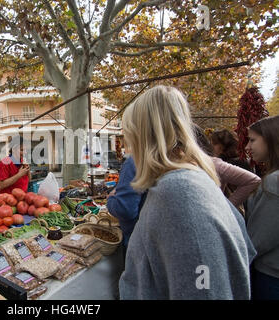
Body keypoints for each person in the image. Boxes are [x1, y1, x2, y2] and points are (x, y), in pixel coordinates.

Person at [118, 85, 256, 300]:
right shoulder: (185, 181)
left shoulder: (179, 193)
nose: (127, 144)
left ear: (142, 136)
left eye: (128, 134)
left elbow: (205, 290)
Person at [244, 115, 279, 300]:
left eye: (252, 140)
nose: (247, 147)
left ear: (272, 139)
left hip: (270, 277)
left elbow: (258, 240)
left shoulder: (274, 182)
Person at [193, 124, 261, 210]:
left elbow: (253, 181)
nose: (211, 147)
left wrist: (227, 207)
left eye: (214, 144)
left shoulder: (222, 163)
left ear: (223, 146)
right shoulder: (240, 159)